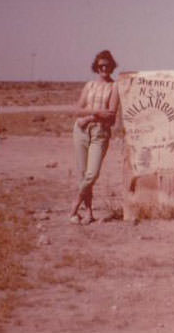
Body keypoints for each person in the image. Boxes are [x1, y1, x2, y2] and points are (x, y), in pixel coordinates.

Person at [69, 50, 119, 224]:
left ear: (112, 67)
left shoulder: (114, 87)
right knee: (83, 174)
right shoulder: (89, 85)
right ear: (96, 68)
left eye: (107, 65)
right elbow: (77, 110)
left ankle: (74, 205)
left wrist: (89, 117)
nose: (104, 68)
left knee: (92, 173)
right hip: (81, 131)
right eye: (100, 66)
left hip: (100, 133)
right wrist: (96, 112)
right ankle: (89, 212)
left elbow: (111, 116)